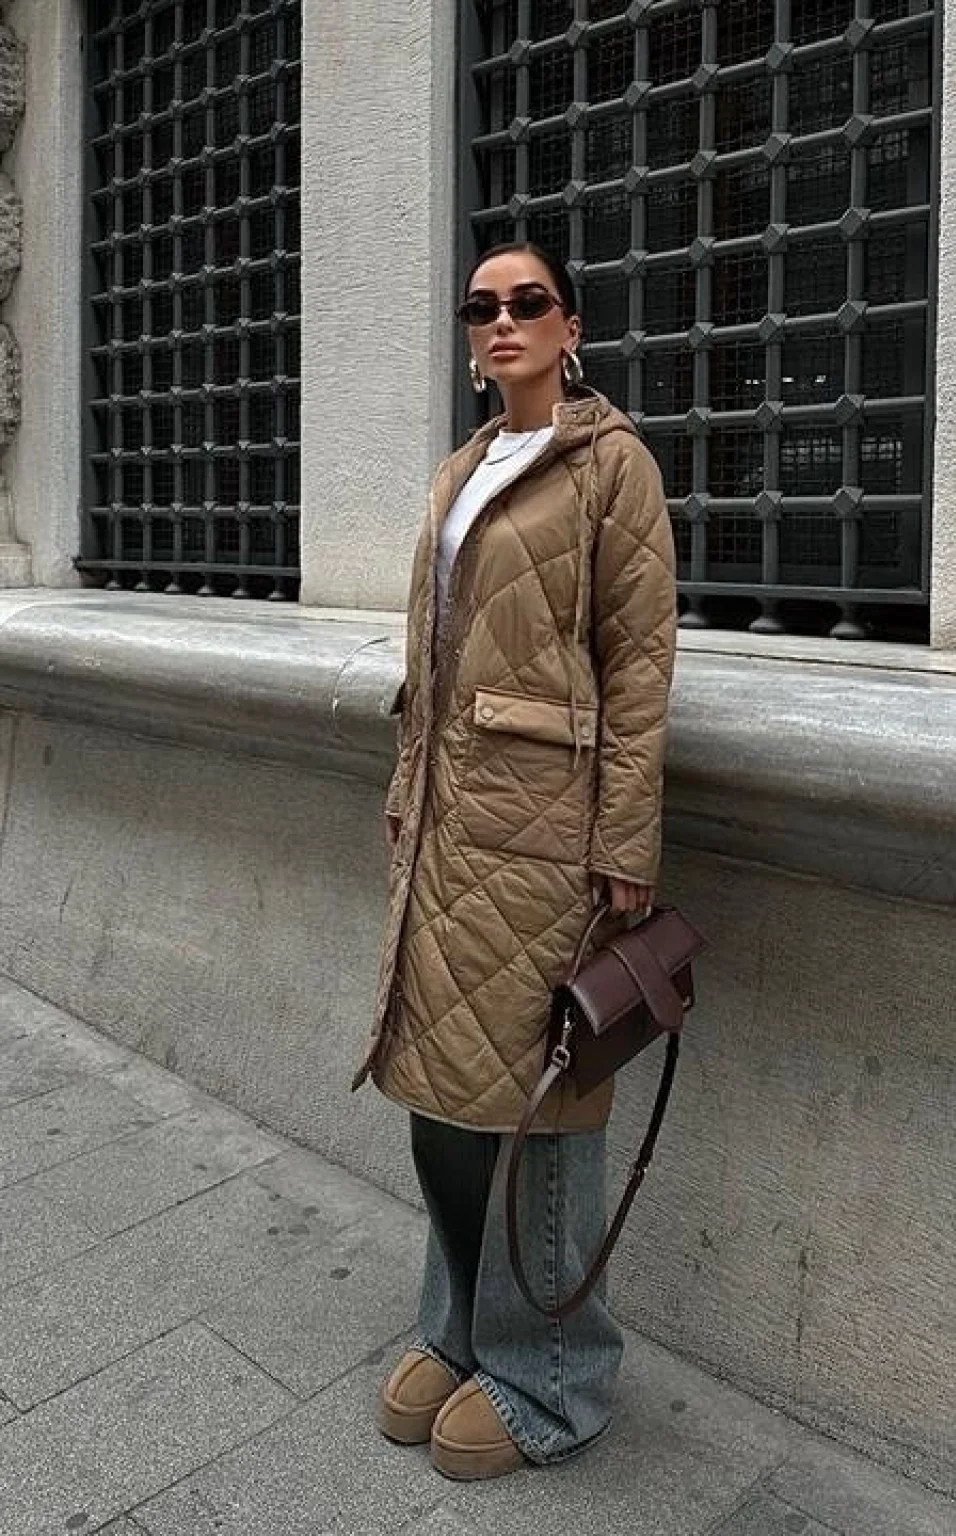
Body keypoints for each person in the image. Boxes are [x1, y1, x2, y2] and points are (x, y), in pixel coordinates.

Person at [352, 241, 677, 1480]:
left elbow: (638, 667)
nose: (502, 321)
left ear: (568, 326)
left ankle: (553, 1375)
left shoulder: (612, 467)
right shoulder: (461, 468)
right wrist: (405, 795)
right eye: (480, 306)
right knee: (443, 1096)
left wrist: (625, 839)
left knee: (545, 1102)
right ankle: (457, 1328)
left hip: (549, 834)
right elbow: (431, 662)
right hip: (446, 829)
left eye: (527, 302)